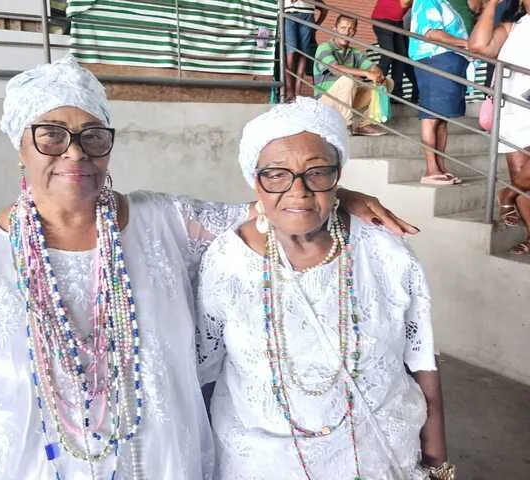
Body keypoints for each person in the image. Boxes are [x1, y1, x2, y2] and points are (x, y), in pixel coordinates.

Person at [0, 57, 417, 479]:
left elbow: (272, 209)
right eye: (51, 135)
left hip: (155, 462)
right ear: (19, 145)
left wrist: (333, 190)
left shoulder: (164, 222)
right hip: (17, 466)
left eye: (93, 135)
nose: (75, 153)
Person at [197, 97, 454, 479]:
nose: (298, 191)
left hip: (384, 458)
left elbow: (421, 363)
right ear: (256, 181)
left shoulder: (384, 251)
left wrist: (437, 464)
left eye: (317, 173)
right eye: (277, 174)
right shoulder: (227, 261)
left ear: (337, 177)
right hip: (262, 466)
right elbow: (208, 371)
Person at [469, 0, 530, 255]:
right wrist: (492, 3)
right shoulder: (512, 28)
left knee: (522, 180)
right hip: (513, 111)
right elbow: (478, 46)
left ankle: (507, 194)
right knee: (521, 179)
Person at [409, 0, 481, 186]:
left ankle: (440, 167)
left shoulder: (444, 3)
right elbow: (432, 33)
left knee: (442, 120)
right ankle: (430, 169)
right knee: (431, 116)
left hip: (449, 63)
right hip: (435, 60)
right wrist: (466, 43)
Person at [314, 14, 395, 137]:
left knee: (387, 82)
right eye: (343, 28)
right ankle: (346, 125)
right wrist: (366, 73)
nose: (346, 32)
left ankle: (364, 125)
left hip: (347, 99)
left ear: (354, 32)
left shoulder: (355, 52)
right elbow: (335, 69)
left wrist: (377, 74)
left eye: (350, 29)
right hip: (325, 102)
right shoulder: (324, 47)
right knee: (348, 79)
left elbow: (372, 67)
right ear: (334, 29)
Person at [372, 0, 420, 103]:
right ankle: (377, 89)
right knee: (388, 54)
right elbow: (405, 3)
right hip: (382, 18)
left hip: (397, 21)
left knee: (401, 57)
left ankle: (396, 93)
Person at [284, 0, 328, 102]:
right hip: (289, 14)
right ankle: (289, 91)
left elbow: (324, 8)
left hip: (307, 15)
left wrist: (316, 25)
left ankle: (297, 94)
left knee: (303, 55)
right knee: (290, 53)